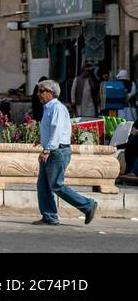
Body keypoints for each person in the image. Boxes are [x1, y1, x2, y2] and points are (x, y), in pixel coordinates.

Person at [33, 80, 98, 226]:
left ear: (51, 92)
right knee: (43, 185)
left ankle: (87, 205)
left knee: (56, 185)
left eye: (41, 91)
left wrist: (47, 150)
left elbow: (56, 131)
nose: (39, 94)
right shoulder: (48, 108)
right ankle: (49, 216)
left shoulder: (56, 108)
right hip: (51, 150)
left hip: (57, 151)